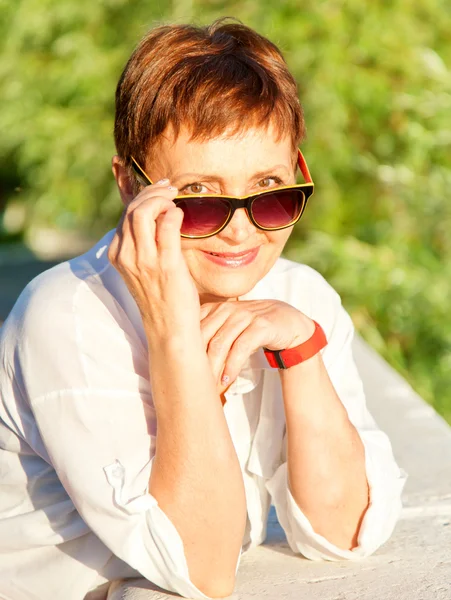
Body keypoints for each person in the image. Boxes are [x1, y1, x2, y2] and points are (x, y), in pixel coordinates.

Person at [0, 18, 406, 600]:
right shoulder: (70, 318)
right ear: (128, 185)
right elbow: (202, 569)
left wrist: (301, 351)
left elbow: (343, 534)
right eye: (197, 196)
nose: (240, 230)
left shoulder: (297, 297)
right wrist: (173, 333)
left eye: (269, 188)